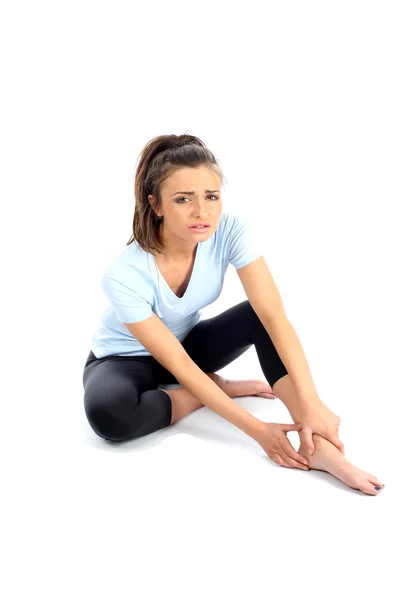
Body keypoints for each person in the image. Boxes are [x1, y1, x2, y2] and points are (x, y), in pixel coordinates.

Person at [82, 132, 384, 496]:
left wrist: (312, 403)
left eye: (211, 196)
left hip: (186, 345)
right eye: (183, 199)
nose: (202, 212)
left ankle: (318, 446)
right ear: (156, 204)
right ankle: (208, 390)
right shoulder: (124, 274)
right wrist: (259, 431)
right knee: (108, 415)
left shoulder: (229, 231)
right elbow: (178, 365)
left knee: (257, 316)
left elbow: (275, 318)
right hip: (121, 360)